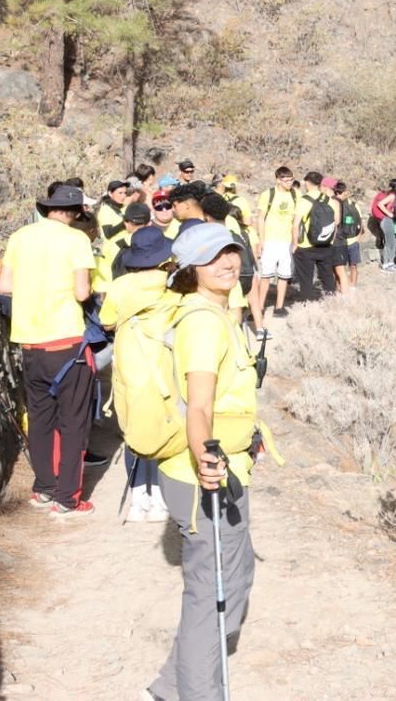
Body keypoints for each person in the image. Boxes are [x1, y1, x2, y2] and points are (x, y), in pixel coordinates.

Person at [148, 224, 267, 701]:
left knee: (233, 582)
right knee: (212, 597)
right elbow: (197, 406)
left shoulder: (218, 314)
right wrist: (206, 460)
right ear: (191, 268)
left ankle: (169, 687)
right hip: (203, 475)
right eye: (213, 256)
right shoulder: (201, 320)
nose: (227, 262)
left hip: (221, 468)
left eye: (231, 251)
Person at [0, 184, 98, 516]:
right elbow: (82, 292)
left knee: (40, 419)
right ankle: (68, 498)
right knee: (72, 422)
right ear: (77, 213)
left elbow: (5, 286)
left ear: (48, 209)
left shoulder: (20, 237)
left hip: (30, 341)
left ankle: (43, 488)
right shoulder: (77, 240)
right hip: (67, 342)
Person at [98, 224, 176, 523]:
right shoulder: (171, 284)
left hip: (130, 359)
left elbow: (106, 322)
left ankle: (137, 497)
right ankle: (159, 498)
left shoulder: (121, 285)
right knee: (161, 425)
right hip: (161, 360)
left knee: (131, 428)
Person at [202, 193, 267, 337]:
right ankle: (258, 331)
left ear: (206, 216)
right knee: (243, 311)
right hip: (247, 272)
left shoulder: (211, 237)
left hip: (229, 282)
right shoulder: (236, 231)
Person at [254, 168, 298, 316]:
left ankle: (278, 307)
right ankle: (259, 307)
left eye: (291, 179)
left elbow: (297, 219)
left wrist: (296, 241)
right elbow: (260, 218)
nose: (289, 183)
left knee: (284, 276)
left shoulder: (296, 194)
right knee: (266, 276)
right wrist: (261, 240)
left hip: (287, 241)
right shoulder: (268, 195)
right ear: (278, 180)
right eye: (286, 180)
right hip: (270, 240)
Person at [292, 175, 339, 298]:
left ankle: (308, 305)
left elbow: (296, 225)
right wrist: (331, 241)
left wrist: (295, 244)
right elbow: (335, 223)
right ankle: (331, 301)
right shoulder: (329, 200)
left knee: (306, 278)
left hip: (306, 246)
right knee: (327, 276)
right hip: (326, 245)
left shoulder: (304, 200)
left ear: (307, 183)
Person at [333, 181, 362, 292]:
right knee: (339, 267)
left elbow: (359, 223)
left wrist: (358, 239)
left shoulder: (354, 206)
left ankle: (353, 286)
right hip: (341, 241)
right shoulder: (336, 204)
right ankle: (339, 287)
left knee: (353, 265)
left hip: (352, 241)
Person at [373, 179, 396, 271]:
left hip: (390, 220)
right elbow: (380, 204)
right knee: (389, 242)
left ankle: (391, 262)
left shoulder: (392, 195)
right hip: (387, 220)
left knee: (393, 241)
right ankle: (385, 264)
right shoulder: (392, 195)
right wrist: (390, 214)